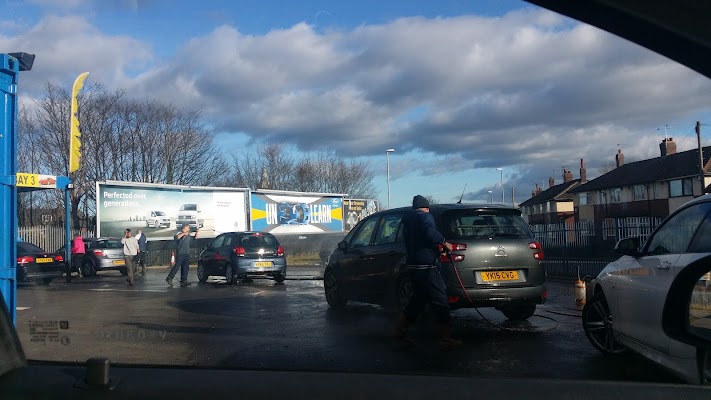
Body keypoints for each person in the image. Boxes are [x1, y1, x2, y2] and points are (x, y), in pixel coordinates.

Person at [392, 195, 462, 349]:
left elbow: (419, 239)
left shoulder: (408, 220)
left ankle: (400, 330)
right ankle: (445, 337)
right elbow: (430, 234)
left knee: (418, 300)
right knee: (440, 299)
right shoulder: (425, 216)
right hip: (427, 266)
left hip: (413, 265)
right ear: (426, 207)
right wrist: (444, 242)